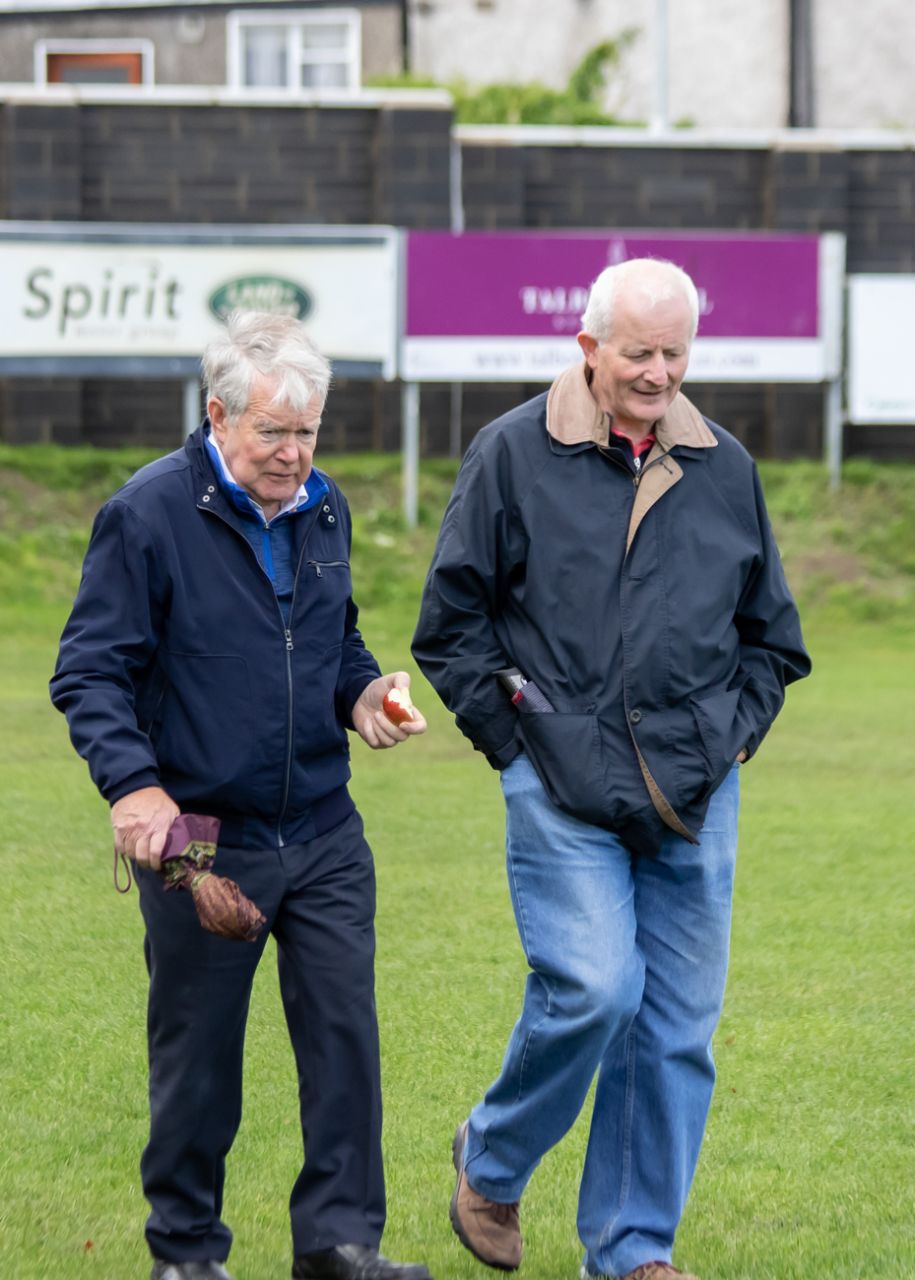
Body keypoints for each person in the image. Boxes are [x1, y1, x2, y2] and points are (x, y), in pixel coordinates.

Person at [411, 259, 811, 1280]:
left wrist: (734, 736)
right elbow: (450, 625)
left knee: (675, 1027)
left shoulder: (724, 464)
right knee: (593, 985)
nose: (660, 372)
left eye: (677, 352)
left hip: (694, 790)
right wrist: (516, 743)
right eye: (640, 351)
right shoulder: (512, 453)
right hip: (558, 776)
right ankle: (491, 1160)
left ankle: (632, 1249)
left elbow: (774, 639)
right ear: (589, 348)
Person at [51, 311, 434, 1280]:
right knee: (199, 1050)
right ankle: (185, 1252)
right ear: (218, 416)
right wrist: (133, 786)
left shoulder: (324, 505)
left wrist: (364, 694)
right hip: (198, 829)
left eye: (308, 433)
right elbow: (90, 669)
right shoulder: (146, 514)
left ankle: (340, 1243)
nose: (294, 454)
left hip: (322, 822)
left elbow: (335, 637)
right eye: (273, 433)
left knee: (346, 1035)